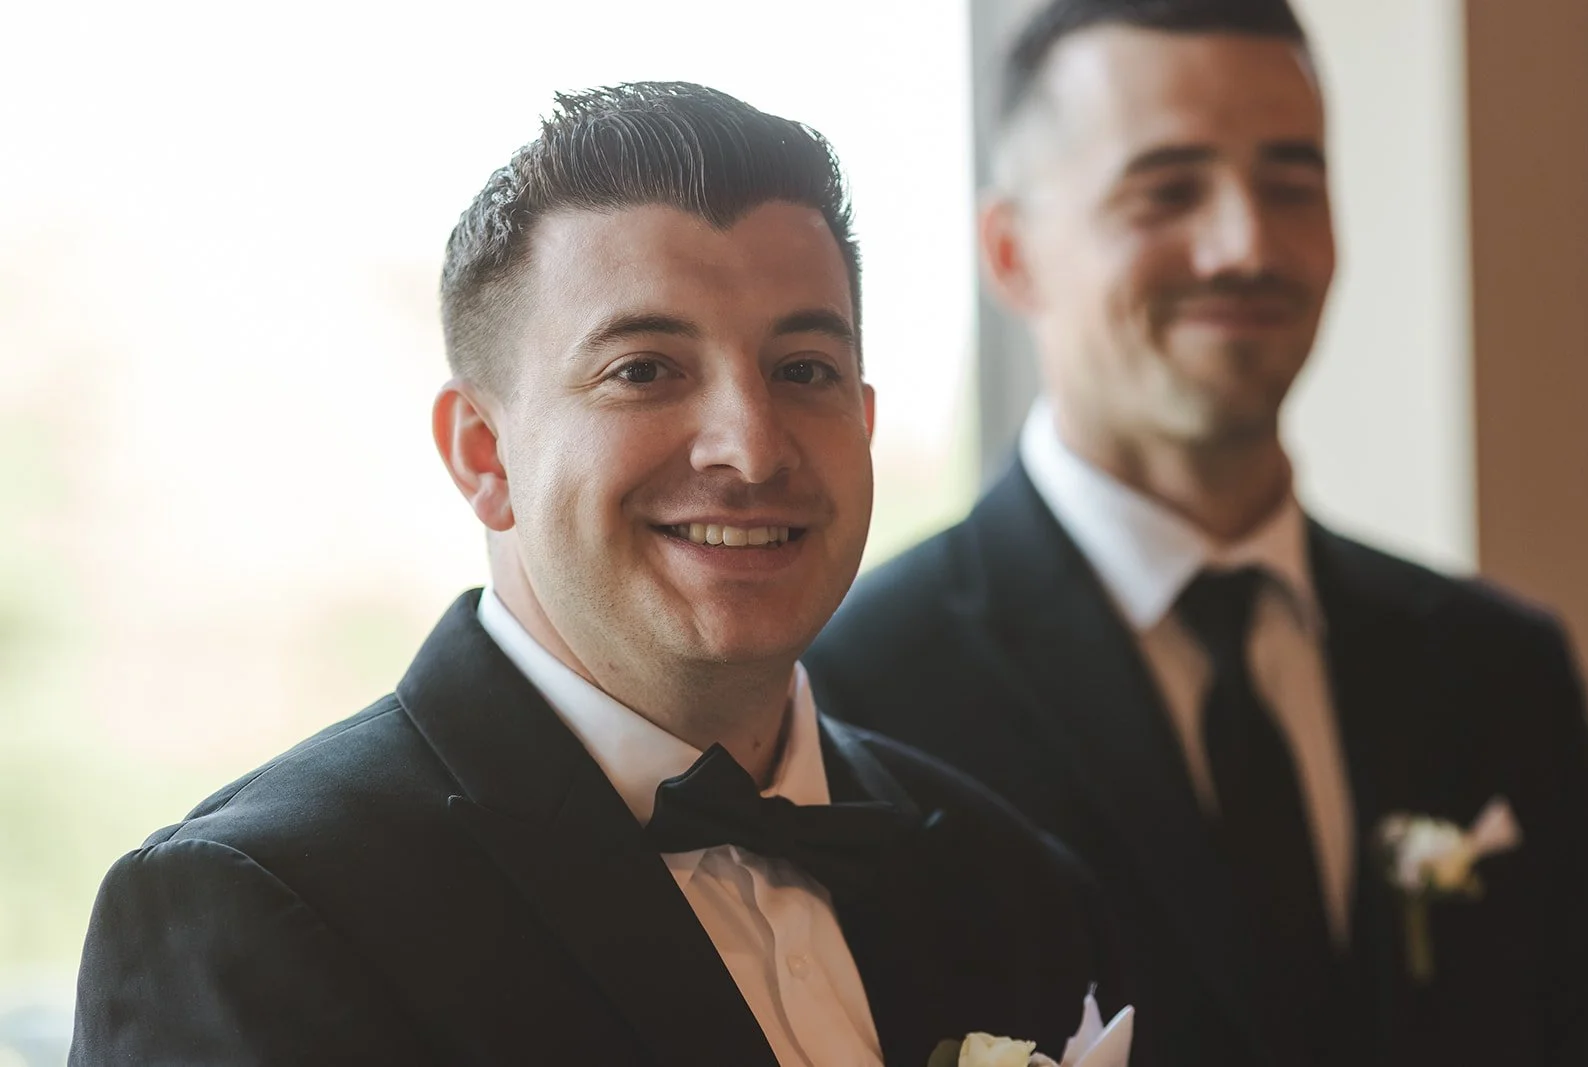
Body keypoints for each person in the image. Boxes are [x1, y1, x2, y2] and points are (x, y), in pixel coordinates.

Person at [67, 83, 1124, 1066]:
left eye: (803, 370)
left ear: (865, 422)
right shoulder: (257, 911)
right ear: (484, 453)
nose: (748, 449)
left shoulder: (1010, 879)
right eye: (643, 371)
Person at [804, 3, 1588, 1065]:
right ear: (1012, 253)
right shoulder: (855, 693)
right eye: (1166, 189)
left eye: (1291, 182)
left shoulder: (1501, 670)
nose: (1245, 244)